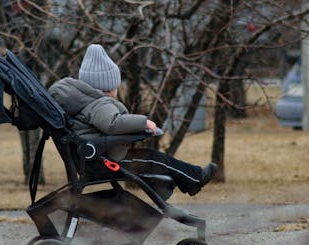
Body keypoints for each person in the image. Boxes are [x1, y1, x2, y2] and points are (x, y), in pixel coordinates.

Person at [48, 44, 216, 196]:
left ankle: (182, 184)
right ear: (107, 86)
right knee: (156, 160)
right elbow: (113, 124)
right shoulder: (100, 103)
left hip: (99, 157)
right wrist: (143, 123)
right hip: (105, 160)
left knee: (155, 160)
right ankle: (195, 177)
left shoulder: (88, 102)